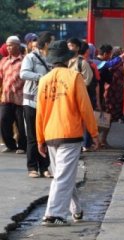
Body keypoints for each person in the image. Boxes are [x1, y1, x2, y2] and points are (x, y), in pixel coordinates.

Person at [36, 40, 99, 226]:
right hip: (70, 133)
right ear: (67, 59)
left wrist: (40, 138)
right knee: (64, 175)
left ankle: (76, 210)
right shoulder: (74, 77)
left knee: (62, 174)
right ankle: (53, 213)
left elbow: (39, 112)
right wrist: (94, 133)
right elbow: (85, 108)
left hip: (50, 134)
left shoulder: (44, 80)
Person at [20, 31, 54, 178]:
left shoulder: (52, 59)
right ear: (46, 43)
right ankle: (32, 167)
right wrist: (42, 77)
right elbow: (23, 74)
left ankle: (45, 167)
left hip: (47, 103)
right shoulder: (31, 57)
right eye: (51, 42)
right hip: (31, 102)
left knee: (46, 136)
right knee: (33, 136)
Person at [0, 36, 27, 154]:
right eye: (7, 45)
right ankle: (10, 145)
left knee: (21, 124)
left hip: (21, 98)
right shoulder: (3, 61)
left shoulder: (25, 61)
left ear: (18, 45)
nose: (8, 47)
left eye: (11, 45)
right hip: (6, 97)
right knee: (3, 120)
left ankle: (22, 146)